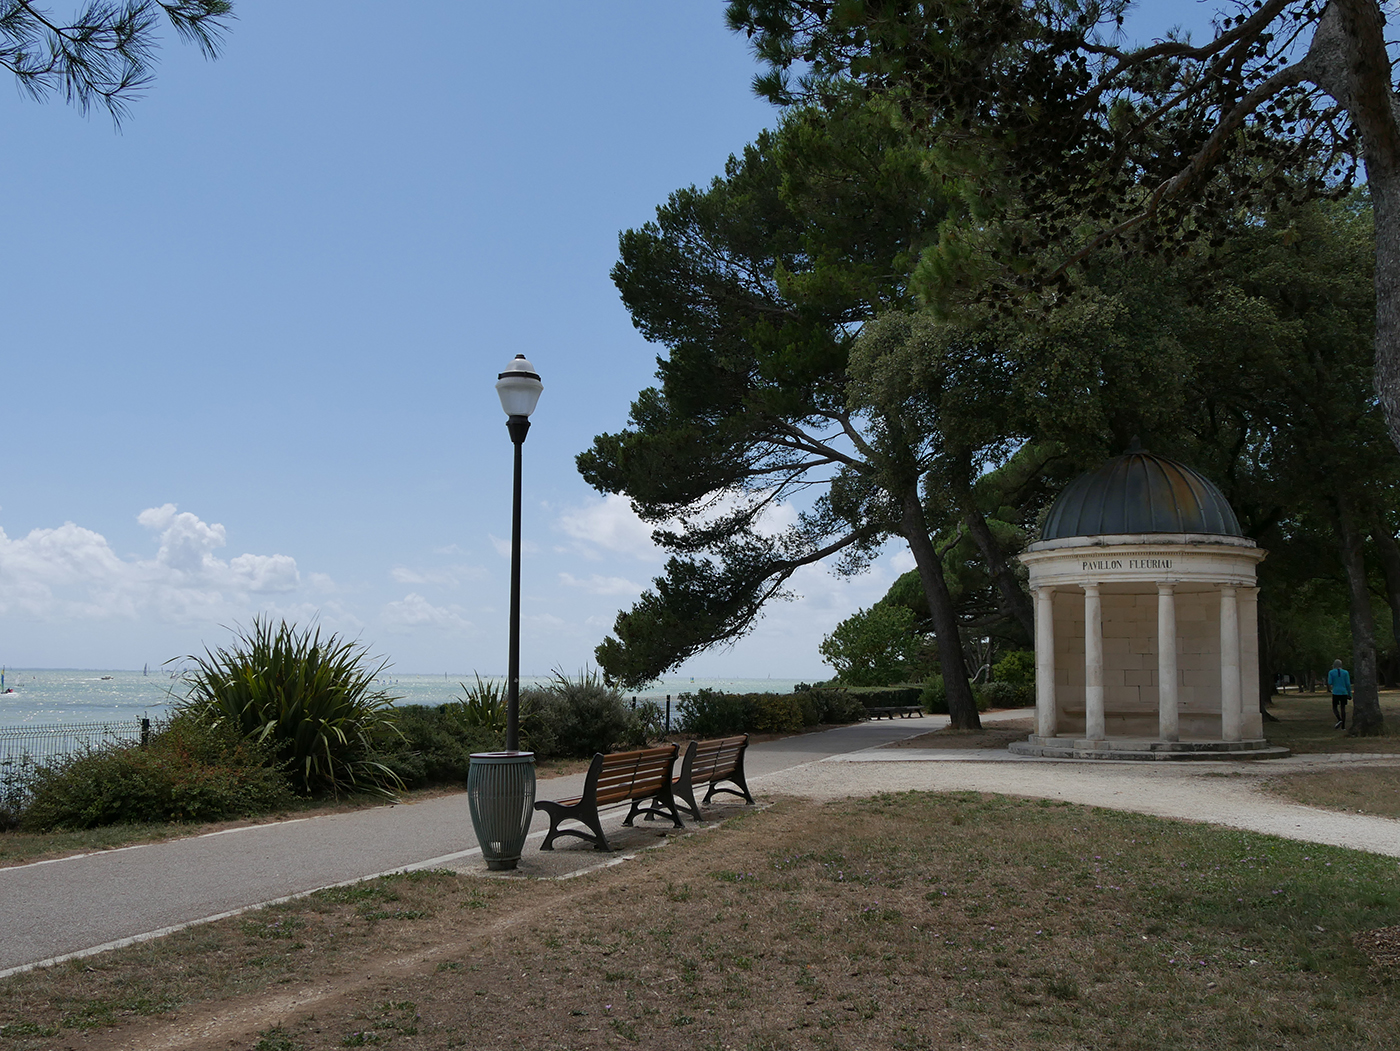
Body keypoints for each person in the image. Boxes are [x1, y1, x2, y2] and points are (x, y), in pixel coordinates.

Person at [1328, 659, 1352, 729]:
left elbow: (1330, 682)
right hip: (1344, 692)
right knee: (1343, 708)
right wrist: (1349, 693)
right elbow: (1348, 684)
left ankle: (1339, 719)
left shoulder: (1331, 672)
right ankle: (1343, 726)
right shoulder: (1345, 672)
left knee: (1334, 707)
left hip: (1335, 692)